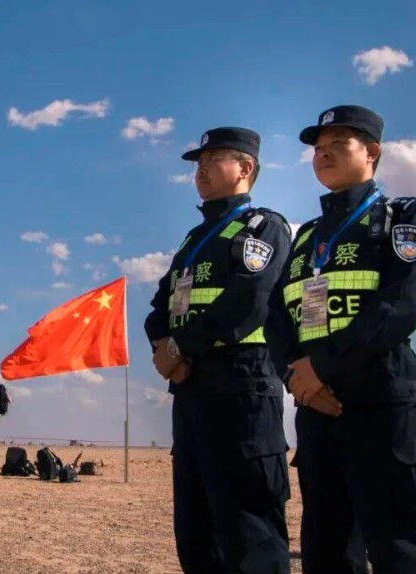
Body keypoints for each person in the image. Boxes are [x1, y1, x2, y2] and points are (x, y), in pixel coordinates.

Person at [265, 105, 416, 573]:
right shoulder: (307, 236)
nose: (323, 154)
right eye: (318, 149)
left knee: (396, 546)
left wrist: (321, 367)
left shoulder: (399, 219)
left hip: (380, 406)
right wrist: (296, 375)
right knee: (326, 548)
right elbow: (277, 315)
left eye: (338, 145)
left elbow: (399, 305)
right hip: (316, 409)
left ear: (371, 152)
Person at [144, 127, 292, 574]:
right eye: (198, 164)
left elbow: (249, 302)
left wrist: (180, 347)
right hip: (191, 394)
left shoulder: (263, 227)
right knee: (196, 532)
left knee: (249, 534)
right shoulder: (193, 242)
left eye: (214, 160)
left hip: (242, 391)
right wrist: (166, 351)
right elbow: (158, 308)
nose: (202, 170)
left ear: (245, 168)